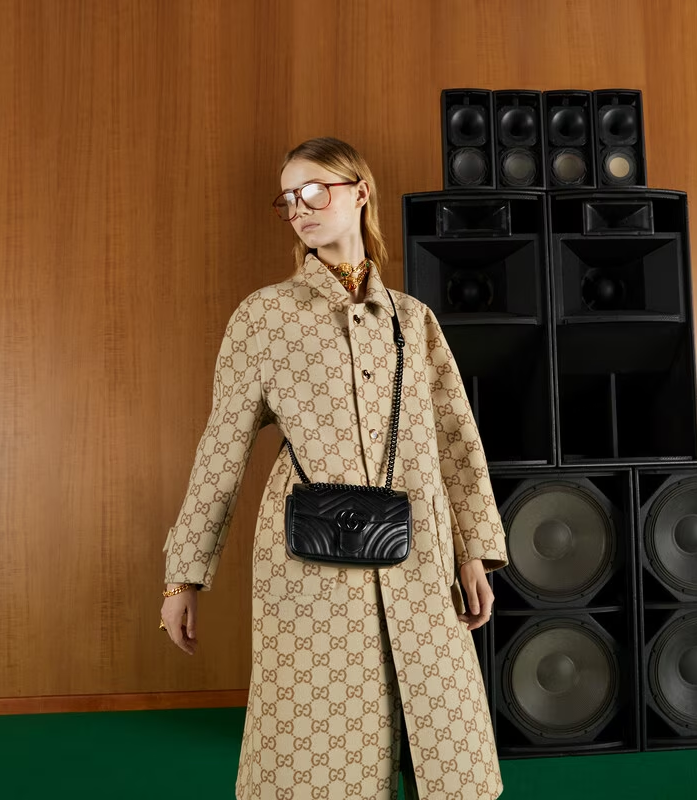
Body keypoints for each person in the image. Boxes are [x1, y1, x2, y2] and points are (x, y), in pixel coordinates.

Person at [160, 137, 509, 800]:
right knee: (317, 752)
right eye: (289, 198)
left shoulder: (413, 319)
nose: (300, 208)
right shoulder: (263, 317)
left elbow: (456, 443)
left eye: (315, 191)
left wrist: (474, 552)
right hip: (309, 564)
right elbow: (221, 447)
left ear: (360, 192)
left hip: (420, 551)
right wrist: (184, 575)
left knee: (449, 747)